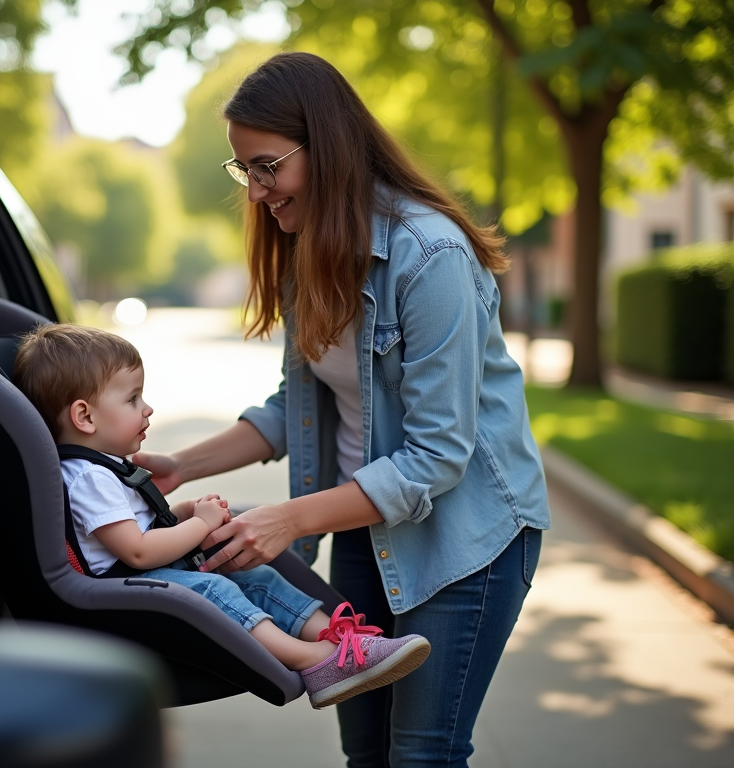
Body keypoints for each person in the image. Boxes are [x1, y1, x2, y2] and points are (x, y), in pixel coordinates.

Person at [131, 52, 551, 767]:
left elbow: (438, 454)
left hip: (465, 540)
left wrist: (286, 520)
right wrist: (182, 463)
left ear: (325, 149)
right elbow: (296, 406)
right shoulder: (310, 249)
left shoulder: (430, 256)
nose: (259, 192)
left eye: (269, 167)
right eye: (246, 172)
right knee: (365, 755)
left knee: (421, 754)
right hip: (367, 529)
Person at [12, 322, 432, 709]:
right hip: (125, 583)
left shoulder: (103, 467)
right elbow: (137, 552)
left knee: (250, 572)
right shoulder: (88, 477)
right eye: (132, 398)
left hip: (141, 569)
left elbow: (133, 526)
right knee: (215, 590)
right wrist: (200, 525)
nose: (148, 409)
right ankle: (316, 659)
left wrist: (184, 512)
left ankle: (339, 641)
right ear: (84, 416)